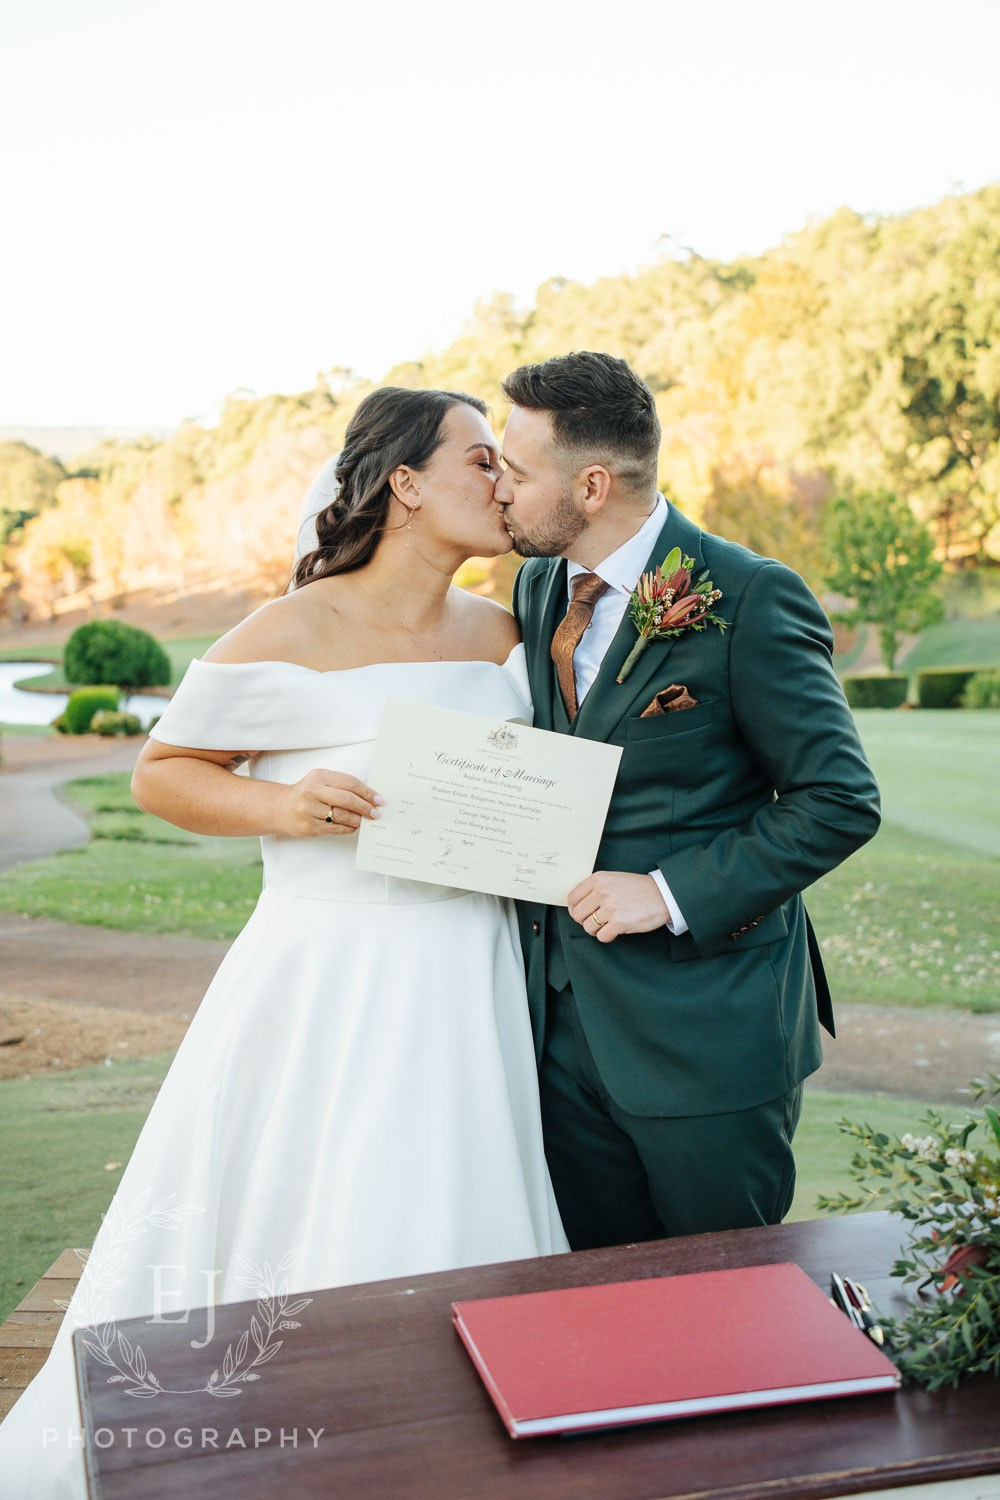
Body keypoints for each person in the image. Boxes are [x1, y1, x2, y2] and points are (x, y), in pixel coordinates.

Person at [0, 387, 568, 1499]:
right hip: (325, 972)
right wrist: (283, 806)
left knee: (453, 1194)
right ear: (404, 483)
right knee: (304, 1199)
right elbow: (161, 773)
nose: (502, 483)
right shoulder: (287, 630)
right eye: (480, 460)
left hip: (469, 970)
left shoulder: (504, 635)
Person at [493, 350, 881, 1252]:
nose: (499, 490)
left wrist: (665, 892)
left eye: (516, 470)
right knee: (598, 1301)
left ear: (591, 484)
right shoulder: (537, 583)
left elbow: (838, 799)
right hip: (561, 1030)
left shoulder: (748, 597)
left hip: (709, 1032)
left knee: (731, 1302)